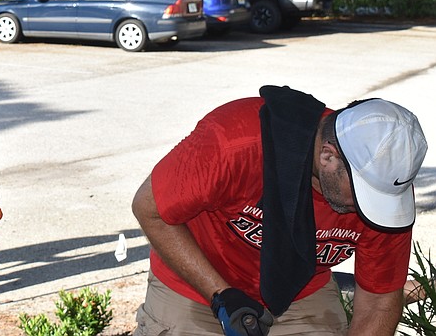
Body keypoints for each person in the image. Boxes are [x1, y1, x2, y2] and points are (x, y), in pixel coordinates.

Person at [131, 85, 428, 336]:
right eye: (364, 194)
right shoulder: (236, 141)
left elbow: (379, 300)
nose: (368, 210)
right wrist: (221, 296)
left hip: (299, 291)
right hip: (195, 283)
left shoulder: (387, 193)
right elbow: (149, 209)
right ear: (329, 155)